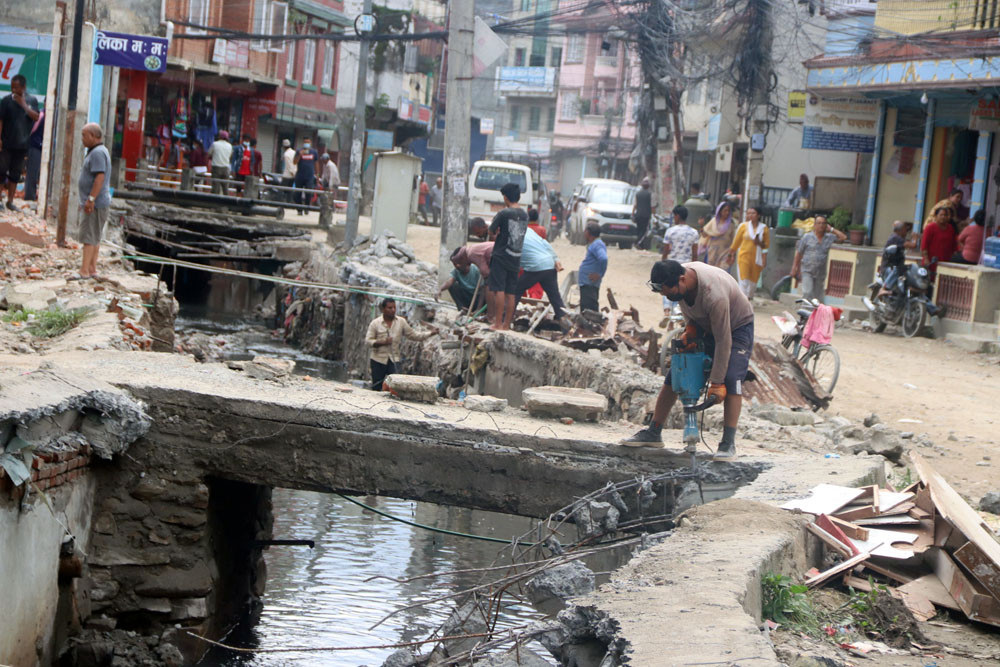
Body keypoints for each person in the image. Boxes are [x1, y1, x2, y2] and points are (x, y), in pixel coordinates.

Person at [622, 259, 754, 460]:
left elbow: (723, 340)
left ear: (682, 279)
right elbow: (689, 311)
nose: (666, 296)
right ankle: (654, 431)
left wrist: (717, 382)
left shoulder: (714, 294)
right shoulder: (679, 281)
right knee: (678, 371)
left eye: (668, 291)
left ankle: (728, 443)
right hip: (705, 323)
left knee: (732, 378)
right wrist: (690, 328)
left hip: (736, 328)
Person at [364, 298, 436, 391]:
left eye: (394, 307)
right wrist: (382, 342)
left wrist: (430, 333)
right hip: (378, 360)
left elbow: (413, 335)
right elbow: (368, 341)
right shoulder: (375, 323)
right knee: (377, 386)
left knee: (395, 386)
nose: (393, 310)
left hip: (394, 360)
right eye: (390, 308)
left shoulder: (401, 322)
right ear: (383, 309)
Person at [488, 182, 529, 330]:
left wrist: (496, 235)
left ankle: (497, 323)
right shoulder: (525, 214)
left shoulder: (504, 213)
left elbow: (491, 231)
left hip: (501, 255)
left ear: (505, 197)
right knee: (511, 292)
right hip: (516, 256)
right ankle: (506, 324)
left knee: (499, 289)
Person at [73, 123, 111, 280]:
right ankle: (92, 268)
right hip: (97, 202)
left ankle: (84, 271)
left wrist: (90, 199)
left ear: (95, 137)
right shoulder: (98, 151)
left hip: (95, 203)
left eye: (84, 135)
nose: (82, 139)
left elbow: (99, 178)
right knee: (94, 236)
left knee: (89, 236)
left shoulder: (97, 153)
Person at [0, 74, 41, 211]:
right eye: (12, 87)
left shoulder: (31, 100)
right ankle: (0, 200)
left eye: (16, 87)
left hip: (22, 145)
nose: (13, 90)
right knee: (1, 171)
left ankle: (10, 201)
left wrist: (23, 104)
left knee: (15, 174)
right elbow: (1, 121)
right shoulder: (5, 101)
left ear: (23, 87)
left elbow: (36, 117)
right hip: (6, 143)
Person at [790, 215, 846, 303]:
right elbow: (799, 253)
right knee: (807, 293)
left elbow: (843, 237)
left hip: (820, 272)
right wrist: (794, 268)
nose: (821, 225)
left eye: (823, 223)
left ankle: (816, 315)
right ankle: (806, 314)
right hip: (807, 270)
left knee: (818, 298)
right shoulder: (807, 237)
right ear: (815, 225)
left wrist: (831, 229)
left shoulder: (829, 238)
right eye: (819, 223)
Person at [515, 227, 567, 320]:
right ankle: (566, 324)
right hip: (549, 263)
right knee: (555, 298)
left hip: (536, 266)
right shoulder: (528, 230)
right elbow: (545, 243)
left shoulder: (510, 234)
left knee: (516, 291)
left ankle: (505, 319)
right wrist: (555, 259)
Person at [661, 205, 700, 317]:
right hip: (686, 265)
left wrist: (663, 262)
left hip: (671, 264)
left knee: (666, 287)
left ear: (677, 216)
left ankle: (667, 310)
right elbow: (695, 252)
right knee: (681, 289)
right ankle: (676, 313)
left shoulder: (670, 231)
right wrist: (694, 266)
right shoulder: (694, 232)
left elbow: (666, 249)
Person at [727, 205, 769, 300]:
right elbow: (736, 243)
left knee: (753, 281)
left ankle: (749, 296)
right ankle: (743, 300)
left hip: (757, 259)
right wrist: (731, 254)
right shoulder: (743, 226)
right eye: (749, 213)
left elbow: (766, 246)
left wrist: (764, 257)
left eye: (753, 213)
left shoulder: (764, 228)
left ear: (758, 215)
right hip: (744, 256)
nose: (750, 215)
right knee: (744, 279)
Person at [438, 247, 483, 311]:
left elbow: (483, 289)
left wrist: (479, 308)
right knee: (453, 286)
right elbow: (449, 281)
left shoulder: (476, 270)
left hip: (477, 298)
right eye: (454, 264)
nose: (457, 266)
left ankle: (478, 309)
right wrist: (440, 289)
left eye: (458, 263)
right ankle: (462, 308)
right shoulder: (456, 271)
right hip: (467, 297)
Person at [921, 204, 957, 279]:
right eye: (941, 215)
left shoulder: (950, 228)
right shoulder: (930, 227)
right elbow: (924, 245)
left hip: (945, 261)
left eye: (945, 215)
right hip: (931, 261)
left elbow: (953, 244)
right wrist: (926, 259)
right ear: (936, 216)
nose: (943, 217)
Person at [578, 222, 608, 312]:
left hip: (589, 284)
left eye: (585, 230)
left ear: (588, 232)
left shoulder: (597, 244)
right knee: (586, 308)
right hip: (587, 283)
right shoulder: (594, 244)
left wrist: (599, 274)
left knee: (589, 310)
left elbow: (603, 258)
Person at [699, 201, 736, 268]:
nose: (727, 213)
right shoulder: (713, 222)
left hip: (725, 253)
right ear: (720, 211)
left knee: (723, 272)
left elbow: (733, 240)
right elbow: (704, 235)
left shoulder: (731, 225)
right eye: (725, 211)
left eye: (728, 211)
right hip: (712, 252)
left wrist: (732, 254)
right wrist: (701, 226)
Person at [293, 138, 319, 214]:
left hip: (309, 176)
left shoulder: (314, 152)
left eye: (308, 142)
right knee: (298, 193)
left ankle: (307, 208)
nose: (306, 144)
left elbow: (316, 163)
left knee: (309, 193)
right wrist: (299, 155)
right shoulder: (298, 151)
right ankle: (299, 209)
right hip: (300, 175)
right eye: (305, 142)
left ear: (310, 143)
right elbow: (294, 162)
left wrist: (317, 175)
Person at [24, 107, 44, 201]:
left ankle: (33, 194)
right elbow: (32, 131)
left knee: (35, 173)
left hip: (39, 146)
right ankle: (29, 196)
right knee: (32, 172)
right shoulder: (41, 115)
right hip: (35, 146)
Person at [632, 176, 655, 249]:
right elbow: (652, 206)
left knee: (639, 229)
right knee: (644, 230)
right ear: (648, 186)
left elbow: (635, 205)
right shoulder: (650, 194)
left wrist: (632, 214)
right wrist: (653, 215)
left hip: (638, 215)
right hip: (646, 216)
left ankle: (639, 244)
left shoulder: (638, 194)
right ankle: (638, 243)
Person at [208, 131, 233, 196]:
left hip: (216, 167)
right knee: (225, 187)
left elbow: (209, 153)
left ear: (219, 136)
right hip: (225, 168)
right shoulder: (229, 146)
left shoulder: (215, 144)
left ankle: (215, 201)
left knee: (216, 186)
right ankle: (226, 202)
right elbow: (230, 156)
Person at [281, 138, 297, 203]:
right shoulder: (294, 152)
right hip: (293, 175)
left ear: (284, 147)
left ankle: (281, 203)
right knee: (290, 191)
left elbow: (289, 165)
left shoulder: (286, 154)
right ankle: (289, 202)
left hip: (287, 176)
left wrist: (292, 173)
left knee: (282, 191)